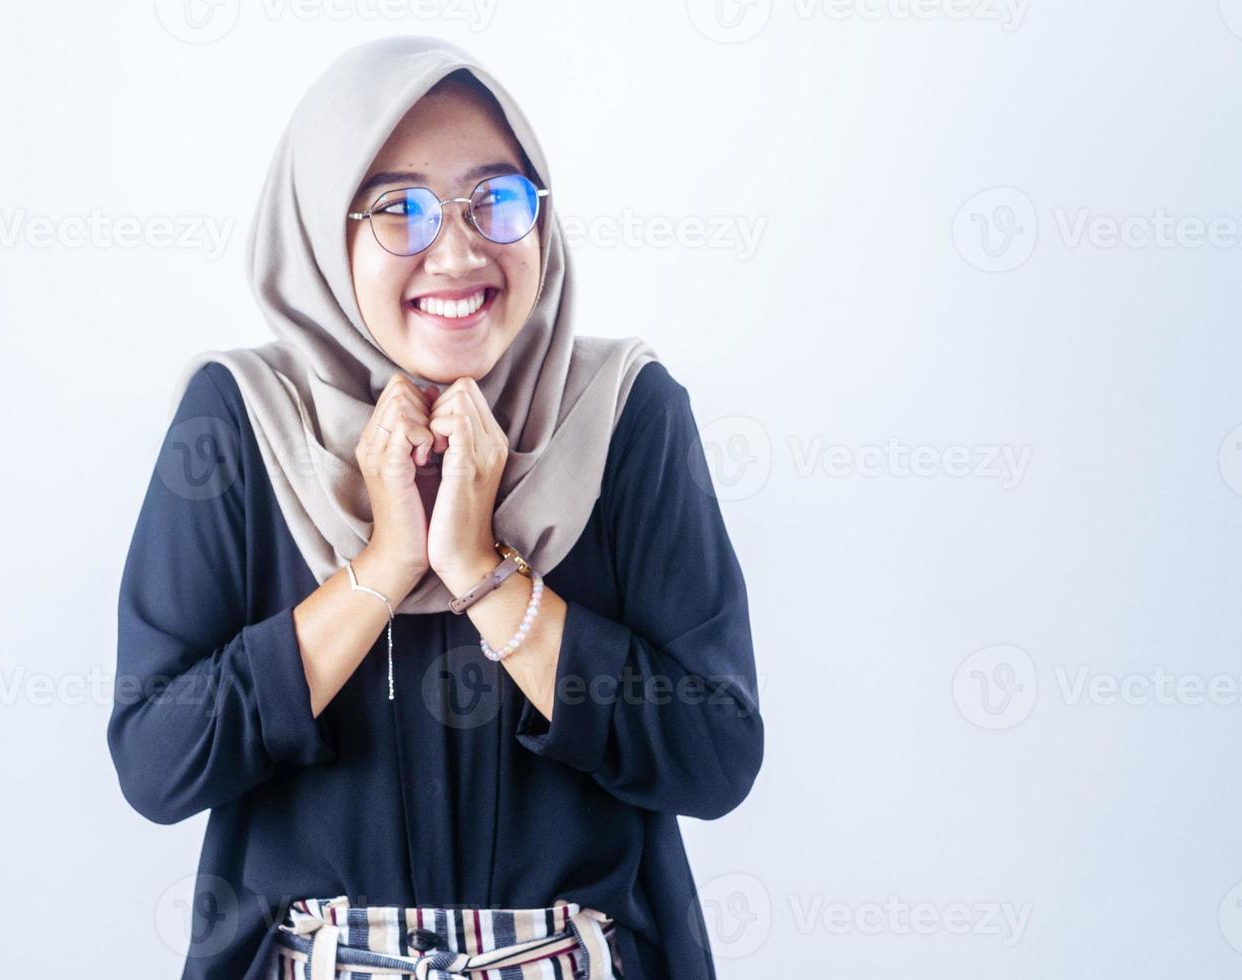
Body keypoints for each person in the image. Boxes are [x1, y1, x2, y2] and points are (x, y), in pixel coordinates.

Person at [107, 34, 765, 980]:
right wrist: (381, 568)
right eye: (399, 210)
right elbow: (157, 764)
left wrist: (485, 575)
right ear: (321, 233)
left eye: (495, 200)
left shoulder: (622, 411)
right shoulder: (242, 420)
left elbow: (716, 756)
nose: (457, 252)